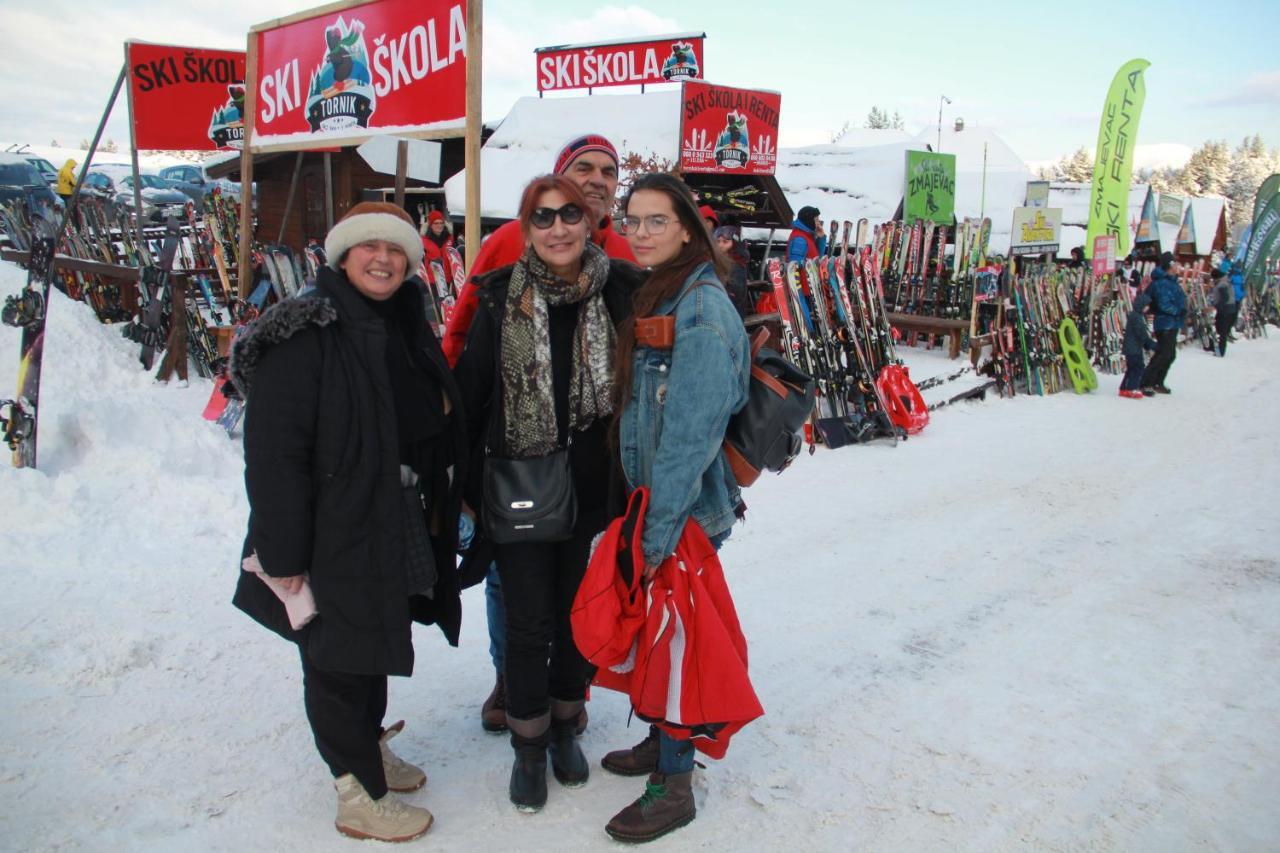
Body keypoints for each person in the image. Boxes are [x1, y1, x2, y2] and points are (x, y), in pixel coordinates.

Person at [229, 202, 467, 843]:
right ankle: (356, 790)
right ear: (341, 256)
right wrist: (283, 554)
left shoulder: (400, 323)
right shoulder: (303, 333)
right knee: (335, 657)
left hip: (390, 514)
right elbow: (275, 454)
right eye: (368, 247)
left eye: (397, 250)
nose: (383, 259)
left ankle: (367, 746)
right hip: (324, 529)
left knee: (374, 643)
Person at [453, 174, 643, 813]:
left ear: (590, 222)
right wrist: (464, 486)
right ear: (526, 229)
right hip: (522, 486)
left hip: (596, 487)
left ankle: (566, 726)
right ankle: (529, 745)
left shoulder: (621, 290)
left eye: (570, 214)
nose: (558, 228)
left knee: (578, 620)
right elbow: (469, 393)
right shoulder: (503, 294)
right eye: (543, 217)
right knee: (529, 622)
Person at [601, 173, 751, 843]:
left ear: (687, 227)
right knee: (658, 638)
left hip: (681, 511)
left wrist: (656, 532)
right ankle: (661, 747)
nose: (639, 231)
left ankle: (675, 782)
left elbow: (690, 434)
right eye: (632, 220)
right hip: (658, 504)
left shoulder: (701, 309)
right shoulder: (664, 288)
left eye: (655, 221)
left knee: (679, 649)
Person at [1139, 252, 1186, 395]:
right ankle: (1146, 382)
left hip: (1172, 323)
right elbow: (1164, 303)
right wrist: (1179, 311)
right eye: (1174, 264)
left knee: (1169, 354)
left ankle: (1157, 381)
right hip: (1165, 323)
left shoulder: (1171, 281)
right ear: (1169, 266)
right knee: (1163, 354)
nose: (1177, 266)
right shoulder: (1162, 283)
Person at [1119, 291, 1157, 399]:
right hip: (1133, 348)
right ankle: (1132, 388)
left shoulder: (1137, 316)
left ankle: (1124, 388)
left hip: (1133, 347)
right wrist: (1150, 344)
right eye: (1146, 305)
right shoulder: (1136, 317)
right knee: (1138, 368)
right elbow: (1141, 333)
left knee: (1132, 368)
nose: (1148, 308)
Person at [713, 223, 753, 319]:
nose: (720, 245)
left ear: (734, 243)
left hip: (731, 313)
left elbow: (735, 292)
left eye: (725, 242)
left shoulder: (737, 263)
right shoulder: (719, 260)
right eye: (718, 241)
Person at [1212, 259, 1244, 356]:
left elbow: (1224, 297)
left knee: (1222, 331)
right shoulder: (1227, 280)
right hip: (1231, 308)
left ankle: (1221, 351)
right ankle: (1217, 348)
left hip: (1225, 310)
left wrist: (1217, 306)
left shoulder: (1222, 284)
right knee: (1222, 330)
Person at [420, 209, 455, 285]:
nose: (439, 226)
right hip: (433, 281)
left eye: (441, 223)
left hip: (449, 279)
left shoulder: (450, 239)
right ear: (430, 225)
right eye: (436, 223)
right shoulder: (423, 241)